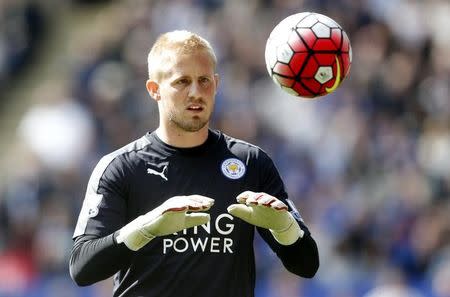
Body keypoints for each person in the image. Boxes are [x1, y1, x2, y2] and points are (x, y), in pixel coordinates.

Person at [69, 30, 319, 297]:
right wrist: (147, 227)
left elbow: (306, 264)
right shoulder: (122, 167)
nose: (196, 92)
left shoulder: (251, 162)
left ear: (217, 84)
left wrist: (284, 227)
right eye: (182, 82)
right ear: (154, 89)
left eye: (204, 81)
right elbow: (83, 267)